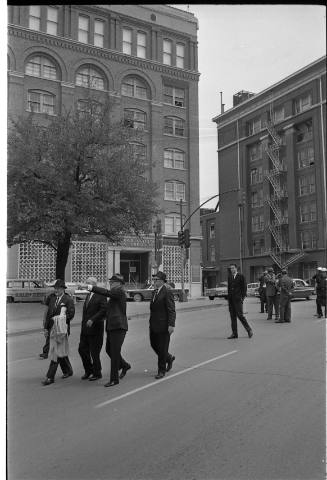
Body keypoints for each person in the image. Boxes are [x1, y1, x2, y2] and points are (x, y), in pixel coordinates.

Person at [88, 274, 131, 387]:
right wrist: (94, 319)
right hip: (112, 326)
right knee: (109, 350)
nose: (110, 283)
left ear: (119, 284)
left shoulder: (119, 292)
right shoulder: (114, 295)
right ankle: (125, 365)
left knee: (115, 352)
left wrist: (91, 287)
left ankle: (114, 379)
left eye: (113, 282)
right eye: (110, 282)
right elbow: (106, 310)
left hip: (118, 327)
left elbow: (106, 292)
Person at [41, 279, 75, 386]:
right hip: (52, 329)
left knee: (55, 352)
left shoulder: (68, 299)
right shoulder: (52, 299)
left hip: (62, 330)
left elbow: (71, 314)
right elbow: (48, 315)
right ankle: (68, 371)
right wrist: (46, 328)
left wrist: (61, 318)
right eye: (55, 288)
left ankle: (50, 377)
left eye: (58, 288)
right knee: (60, 352)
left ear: (63, 289)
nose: (56, 290)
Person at [78, 277, 107, 381]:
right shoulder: (88, 295)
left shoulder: (101, 295)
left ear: (94, 285)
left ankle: (97, 373)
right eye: (86, 283)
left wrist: (93, 319)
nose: (86, 285)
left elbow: (104, 310)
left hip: (96, 329)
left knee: (94, 353)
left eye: (88, 283)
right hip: (85, 329)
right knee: (82, 350)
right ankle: (88, 370)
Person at [149, 271, 176, 379]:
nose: (154, 282)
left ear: (162, 281)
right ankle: (168, 358)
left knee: (162, 347)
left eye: (156, 280)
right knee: (154, 345)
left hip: (164, 325)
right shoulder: (155, 292)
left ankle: (161, 370)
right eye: (154, 280)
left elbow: (171, 310)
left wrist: (171, 324)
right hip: (154, 324)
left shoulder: (167, 291)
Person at [227, 264, 253, 339]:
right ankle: (234, 334)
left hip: (238, 299)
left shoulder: (241, 276)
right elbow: (229, 288)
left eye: (233, 268)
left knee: (240, 315)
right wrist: (228, 298)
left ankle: (249, 330)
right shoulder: (230, 277)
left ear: (236, 268)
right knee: (232, 317)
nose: (231, 269)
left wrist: (242, 298)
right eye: (230, 268)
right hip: (231, 300)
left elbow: (244, 288)